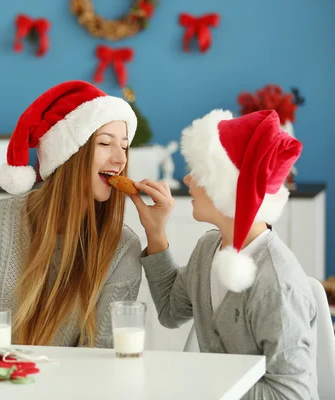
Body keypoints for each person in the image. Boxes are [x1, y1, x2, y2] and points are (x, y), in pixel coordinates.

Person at [131, 109, 318, 399]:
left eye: (201, 172)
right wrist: (156, 234)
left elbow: (291, 395)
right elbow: (170, 311)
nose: (189, 179)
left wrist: (204, 382)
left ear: (229, 189)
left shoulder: (277, 285)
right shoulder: (209, 249)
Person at [0, 80, 142, 348]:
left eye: (124, 146)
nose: (121, 159)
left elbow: (103, 361)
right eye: (104, 143)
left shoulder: (122, 247)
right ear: (68, 155)